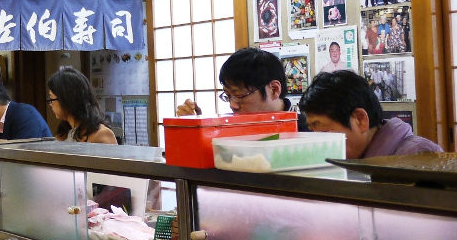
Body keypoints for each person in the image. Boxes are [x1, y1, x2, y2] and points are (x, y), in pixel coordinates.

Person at [299, 70, 442, 159]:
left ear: (360, 120)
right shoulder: (354, 158)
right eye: (312, 131)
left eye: (323, 131)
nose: (317, 142)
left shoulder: (419, 156)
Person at [176, 47, 309, 131]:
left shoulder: (306, 129)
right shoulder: (230, 126)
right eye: (227, 96)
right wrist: (195, 127)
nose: (232, 105)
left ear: (273, 89)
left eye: (239, 95)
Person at [46, 67, 117, 144]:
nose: (50, 104)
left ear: (66, 100)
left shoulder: (101, 134)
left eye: (51, 99)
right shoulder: (64, 133)